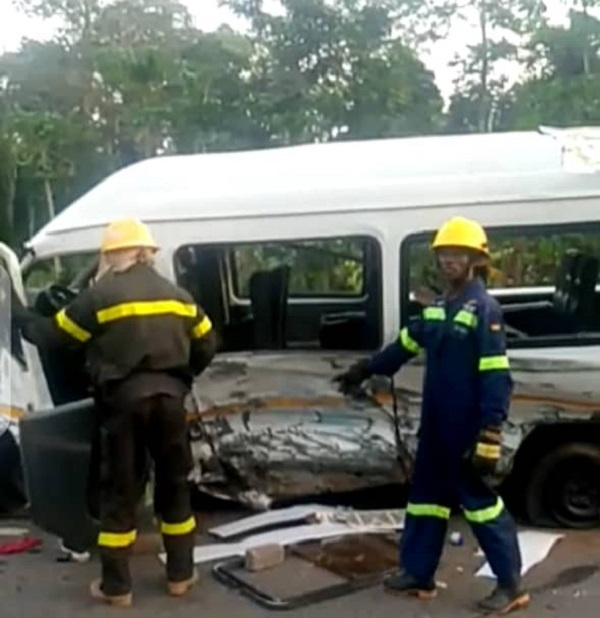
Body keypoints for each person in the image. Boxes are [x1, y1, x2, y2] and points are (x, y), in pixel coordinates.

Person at [11, 217, 218, 608]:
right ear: (147, 254)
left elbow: (56, 338)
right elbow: (207, 342)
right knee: (174, 484)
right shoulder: (178, 296)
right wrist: (180, 377)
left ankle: (117, 587)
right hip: (171, 402)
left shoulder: (100, 297)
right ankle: (180, 574)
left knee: (120, 491)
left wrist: (20, 316)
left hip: (124, 406)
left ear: (112, 254)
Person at [334, 216, 530, 615]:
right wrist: (366, 368)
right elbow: (405, 345)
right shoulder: (439, 307)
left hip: (467, 431)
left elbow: (496, 374)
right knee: (425, 500)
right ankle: (417, 573)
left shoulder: (484, 309)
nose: (448, 261)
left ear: (476, 259)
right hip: (437, 428)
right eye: (443, 254)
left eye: (458, 254)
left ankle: (510, 585)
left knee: (480, 505)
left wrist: (490, 432)